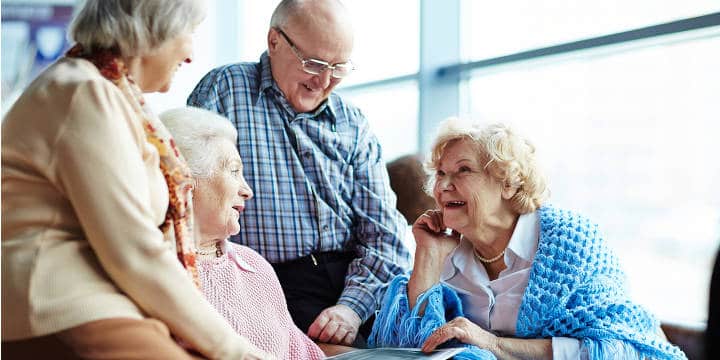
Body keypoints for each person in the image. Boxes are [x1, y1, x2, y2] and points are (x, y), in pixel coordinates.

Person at [1, 1, 268, 359]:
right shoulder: (83, 92)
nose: (191, 53)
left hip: (94, 301)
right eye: (189, 33)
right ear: (154, 31)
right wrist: (236, 351)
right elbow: (135, 251)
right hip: (55, 303)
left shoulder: (114, 97)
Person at [187, 0, 411, 346]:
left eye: (338, 67)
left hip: (353, 286)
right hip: (262, 283)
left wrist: (351, 309)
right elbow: (193, 202)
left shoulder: (353, 122)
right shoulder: (226, 89)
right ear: (274, 41)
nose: (324, 81)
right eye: (315, 63)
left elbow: (386, 237)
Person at [369, 119, 687, 359]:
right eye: (439, 173)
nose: (443, 186)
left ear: (508, 184)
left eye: (462, 170)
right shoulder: (447, 249)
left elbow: (620, 347)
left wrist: (493, 344)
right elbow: (404, 348)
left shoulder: (570, 240)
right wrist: (427, 256)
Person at [160, 106, 333, 359]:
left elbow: (302, 353)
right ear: (185, 177)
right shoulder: (153, 272)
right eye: (233, 171)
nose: (247, 190)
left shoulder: (254, 266)